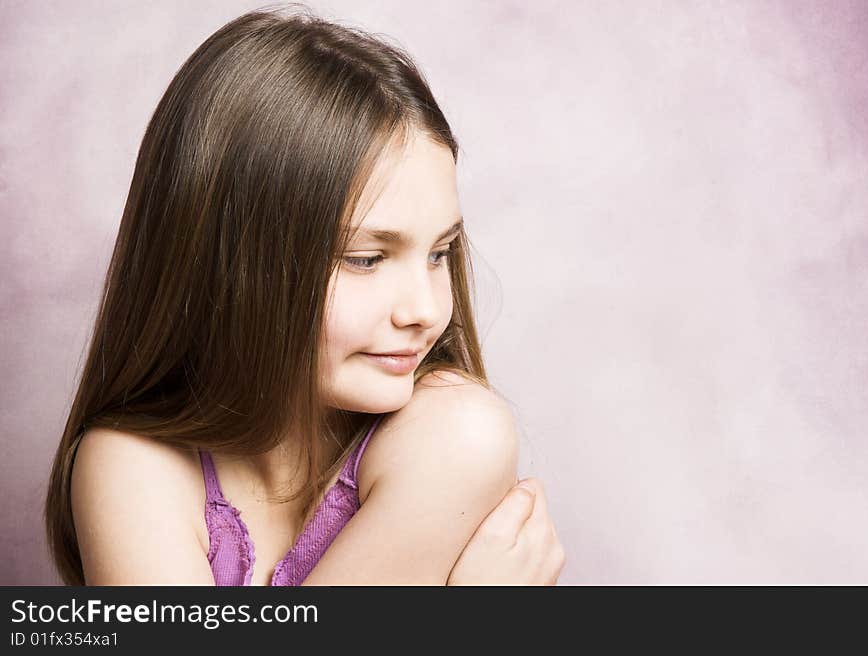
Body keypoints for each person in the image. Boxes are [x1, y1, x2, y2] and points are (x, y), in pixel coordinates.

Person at [43, 5, 565, 586]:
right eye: (366, 259)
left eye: (439, 253)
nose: (424, 311)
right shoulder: (131, 467)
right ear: (230, 263)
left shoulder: (455, 434)